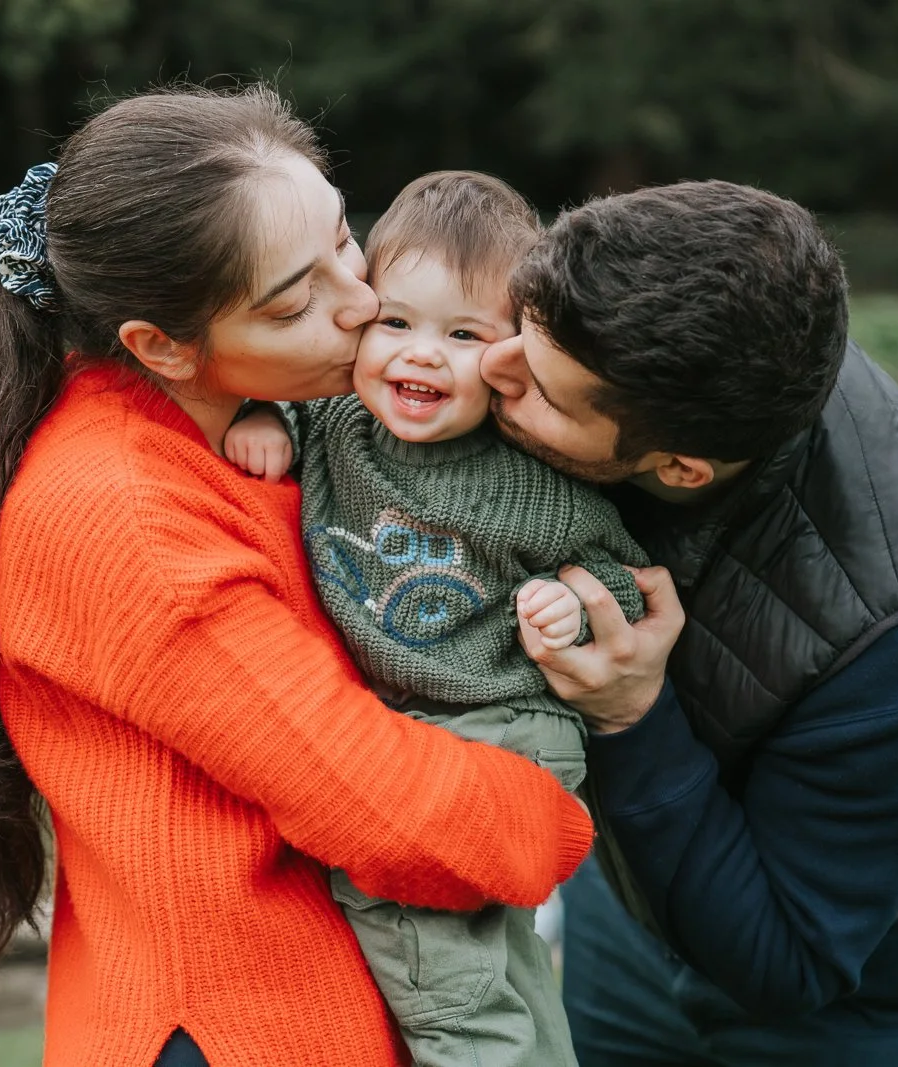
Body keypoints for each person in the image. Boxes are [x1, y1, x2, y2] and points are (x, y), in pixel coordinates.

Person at [0, 86, 595, 1067]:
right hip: (246, 1024)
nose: (361, 304)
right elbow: (386, 808)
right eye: (296, 301)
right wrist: (562, 807)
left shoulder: (265, 426)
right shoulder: (123, 516)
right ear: (161, 345)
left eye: (343, 241)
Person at [478, 179, 898, 1066]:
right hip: (627, 906)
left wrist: (630, 714)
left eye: (540, 386)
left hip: (875, 967)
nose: (490, 366)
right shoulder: (680, 331)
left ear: (681, 467)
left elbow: (792, 958)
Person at [224, 170, 649, 1067]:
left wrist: (571, 601)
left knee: (431, 967)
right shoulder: (333, 422)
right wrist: (264, 415)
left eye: (463, 335)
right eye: (397, 323)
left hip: (506, 726)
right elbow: (273, 397)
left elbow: (629, 576)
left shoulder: (528, 483)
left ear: (509, 359)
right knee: (501, 957)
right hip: (425, 724)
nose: (421, 355)